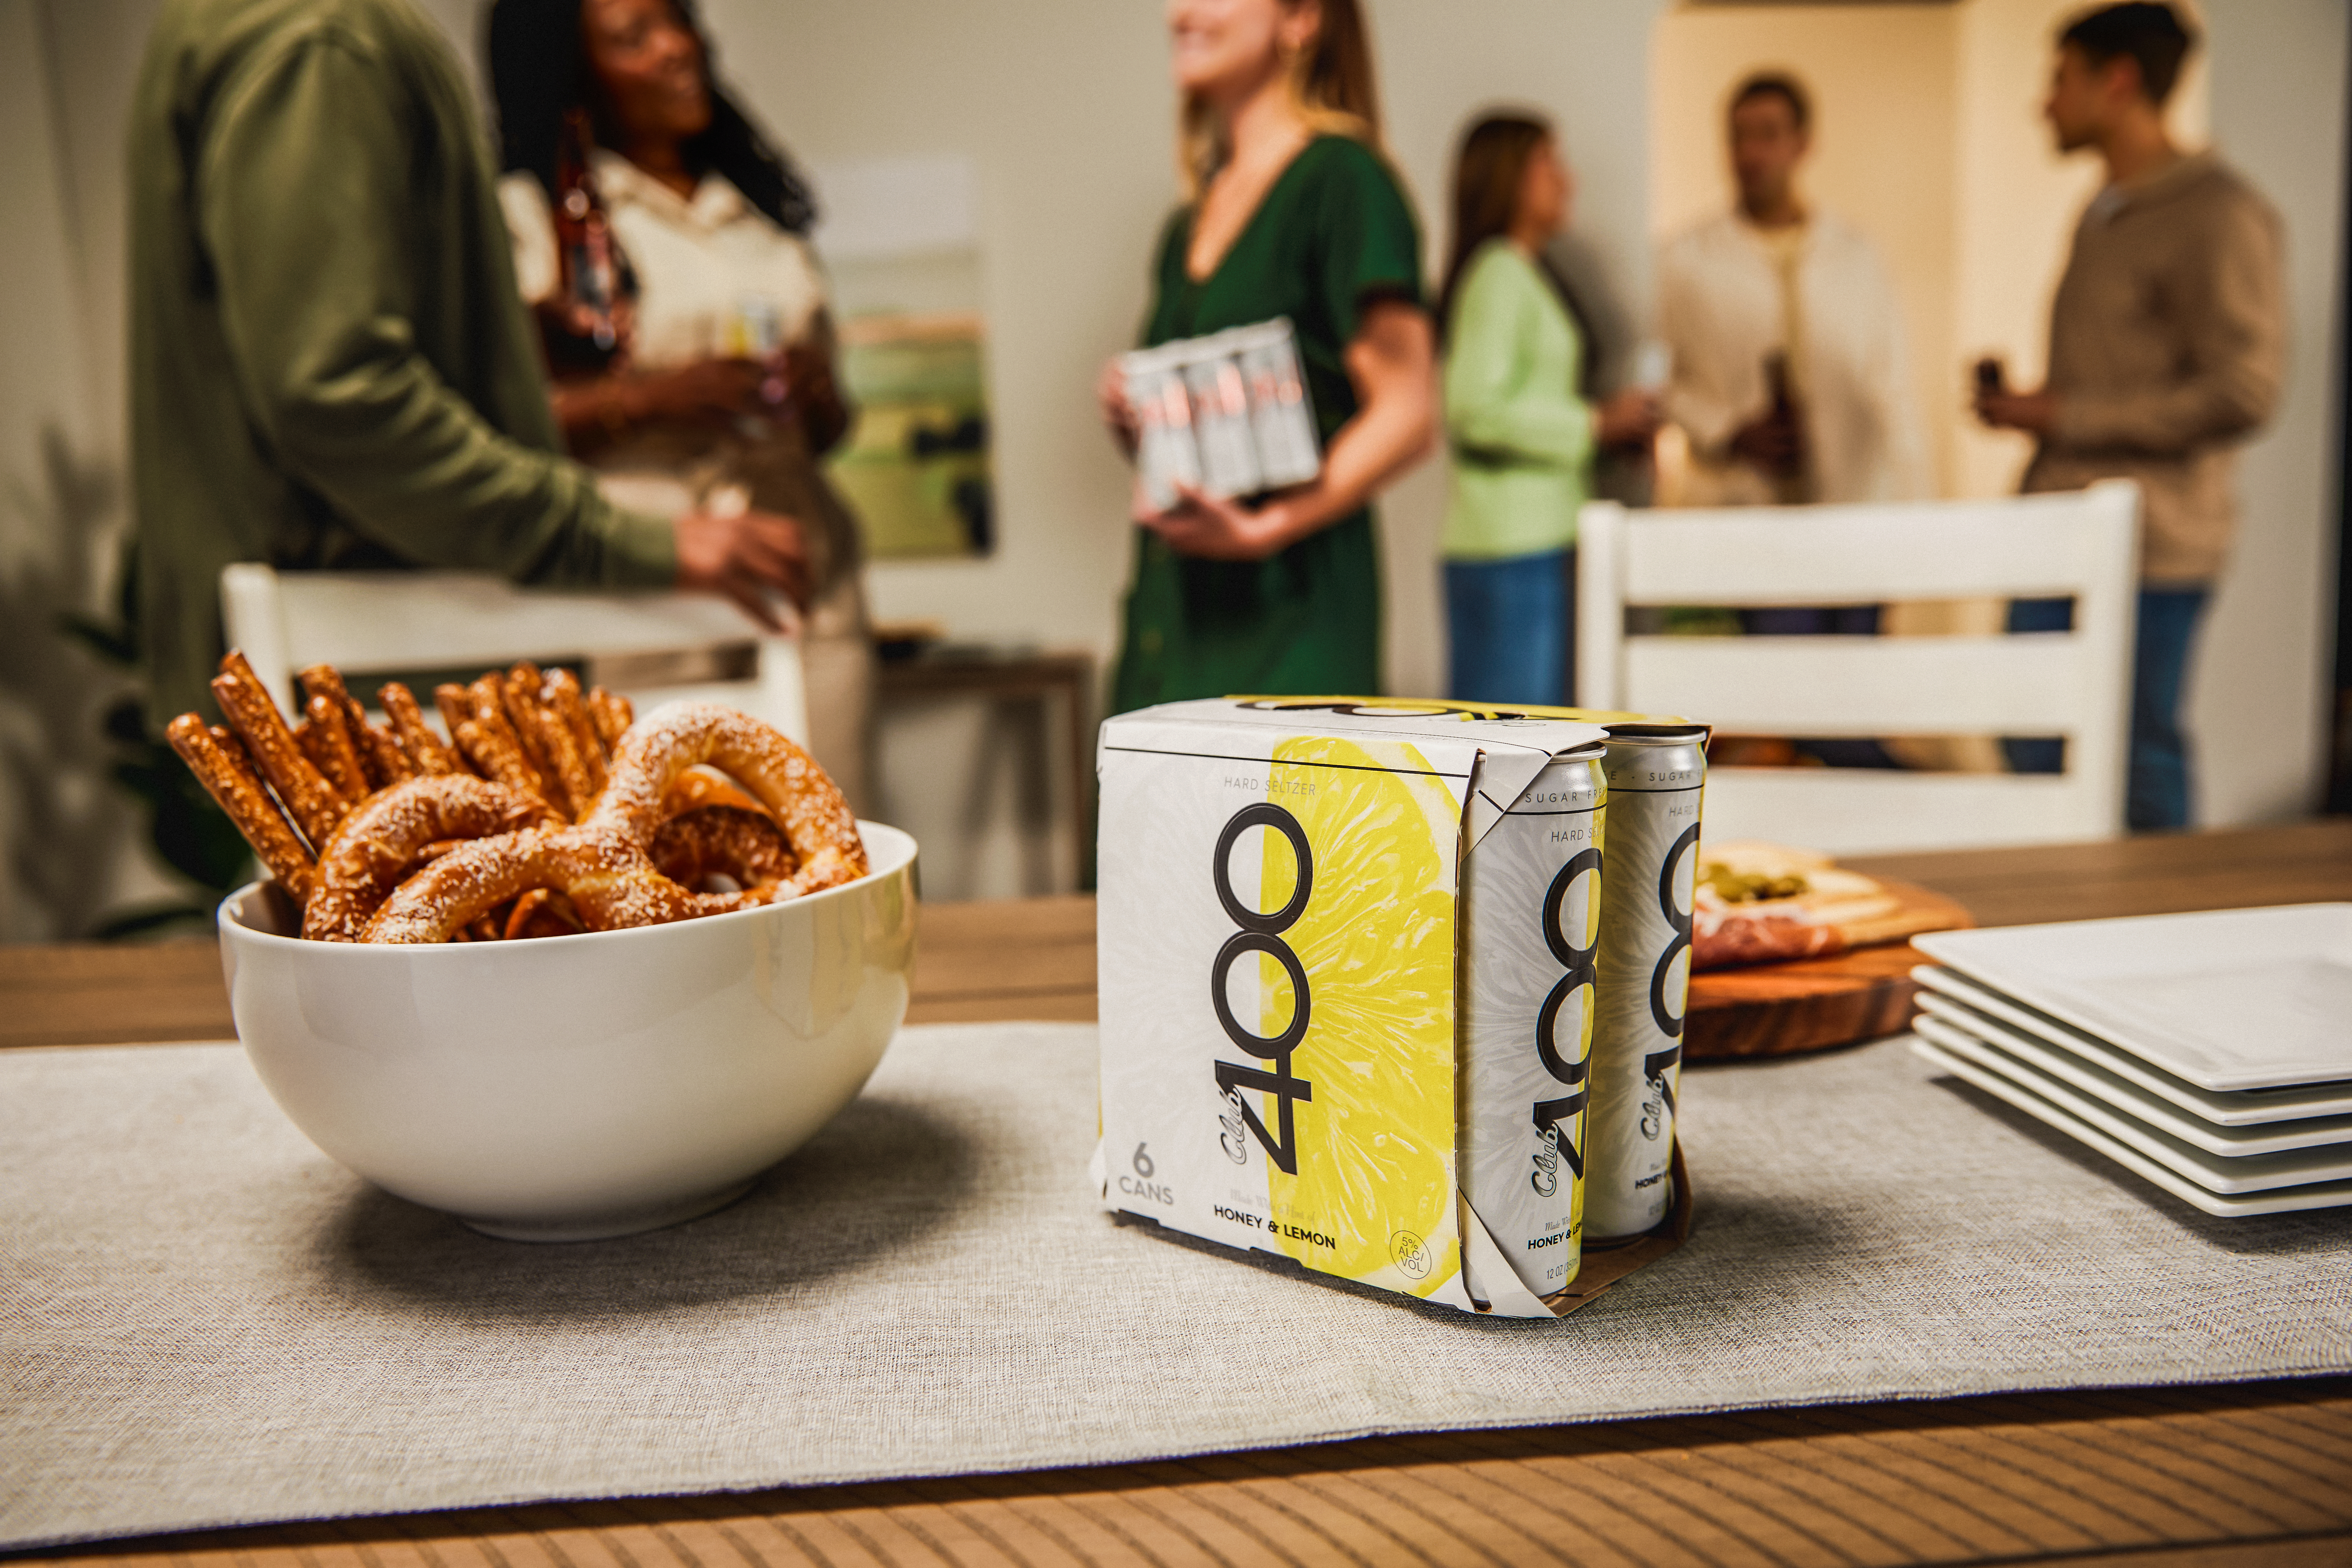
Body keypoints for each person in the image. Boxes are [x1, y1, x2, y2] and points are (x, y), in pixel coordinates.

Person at [126, 0, 810, 730]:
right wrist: (609, 536)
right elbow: (336, 397)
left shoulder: (304, 31)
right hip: (365, 670)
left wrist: (492, 347)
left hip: (373, 657)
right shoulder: (320, 38)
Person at [489, 0, 876, 809]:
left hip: (809, 586)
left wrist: (815, 393)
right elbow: (503, 424)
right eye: (634, 38)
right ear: (574, 72)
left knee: (831, 839)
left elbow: (833, 428)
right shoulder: (535, 220)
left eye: (676, 21)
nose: (675, 48)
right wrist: (652, 398)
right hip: (647, 594)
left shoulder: (756, 212)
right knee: (669, 854)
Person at [1976, 2, 2283, 831]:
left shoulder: (2221, 213)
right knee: (2034, 741)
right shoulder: (2103, 208)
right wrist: (2040, 410)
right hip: (2062, 525)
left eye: (2060, 80)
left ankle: (2167, 934)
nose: (2045, 103)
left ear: (2117, 83)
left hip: (2156, 540)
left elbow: (2246, 388)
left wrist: (2070, 413)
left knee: (2138, 751)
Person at [1100, 0, 1436, 712]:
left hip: (1292, 618)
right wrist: (1139, 417)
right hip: (1176, 615)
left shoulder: (1345, 182)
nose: (1178, 11)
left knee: (1278, 820)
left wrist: (1267, 527)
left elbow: (1409, 411)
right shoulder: (1186, 222)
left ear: (1301, 19)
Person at [1437, 114, 1658, 706]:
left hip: (1532, 543)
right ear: (1509, 176)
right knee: (1518, 760)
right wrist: (1594, 422)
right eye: (1550, 162)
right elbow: (1474, 410)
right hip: (1513, 552)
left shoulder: (1522, 273)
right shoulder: (1500, 273)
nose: (1568, 180)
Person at [1655, 70, 1928, 530]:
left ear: (1802, 144)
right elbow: (1660, 384)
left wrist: (1918, 513)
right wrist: (1726, 432)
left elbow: (1894, 384)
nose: (1751, 154)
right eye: (1738, 138)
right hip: (1743, 508)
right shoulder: (1684, 261)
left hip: (1854, 507)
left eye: (1768, 136)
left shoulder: (1857, 256)